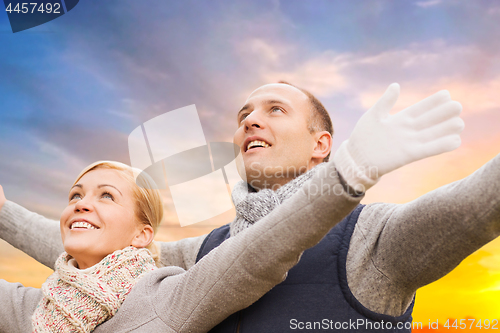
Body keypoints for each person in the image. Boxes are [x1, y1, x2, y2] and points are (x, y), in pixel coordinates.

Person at [2, 82, 499, 332]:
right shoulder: (207, 251)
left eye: (274, 111)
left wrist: (350, 172)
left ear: (321, 144)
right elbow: (101, 246)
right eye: (244, 116)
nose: (250, 122)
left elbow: (478, 203)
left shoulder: (374, 239)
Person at [0, 159, 364, 332]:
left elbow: (255, 254)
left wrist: (349, 176)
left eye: (106, 196)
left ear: (141, 235)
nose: (81, 203)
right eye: (75, 195)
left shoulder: (165, 299)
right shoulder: (34, 308)